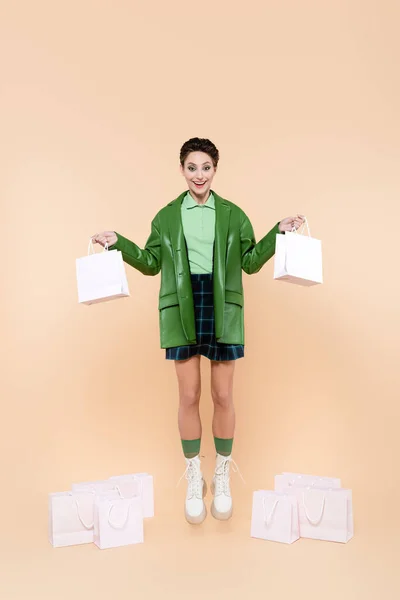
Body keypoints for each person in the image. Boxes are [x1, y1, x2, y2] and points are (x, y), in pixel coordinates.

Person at [92, 137, 305, 525]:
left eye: (206, 167)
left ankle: (220, 475)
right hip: (182, 305)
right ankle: (195, 476)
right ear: (182, 170)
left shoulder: (233, 214)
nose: (199, 175)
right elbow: (152, 263)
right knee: (189, 394)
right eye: (192, 167)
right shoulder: (167, 216)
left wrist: (280, 232)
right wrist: (117, 243)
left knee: (223, 394)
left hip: (222, 305)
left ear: (215, 170)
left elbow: (252, 262)